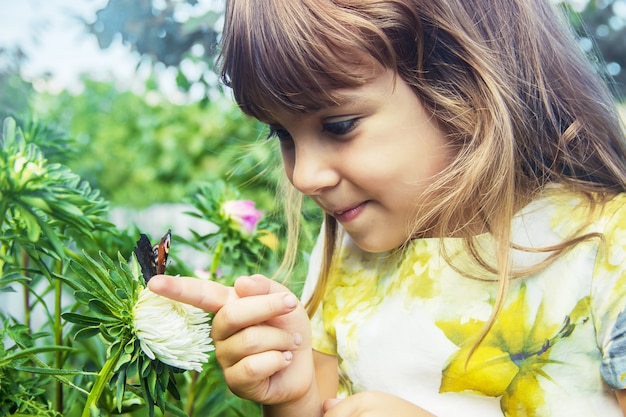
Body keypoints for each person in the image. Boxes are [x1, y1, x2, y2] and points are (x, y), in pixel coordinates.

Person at [148, 0, 626, 415]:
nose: (303, 176)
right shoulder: (344, 259)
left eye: (338, 125)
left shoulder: (607, 248)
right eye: (284, 135)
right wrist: (291, 399)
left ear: (465, 86)